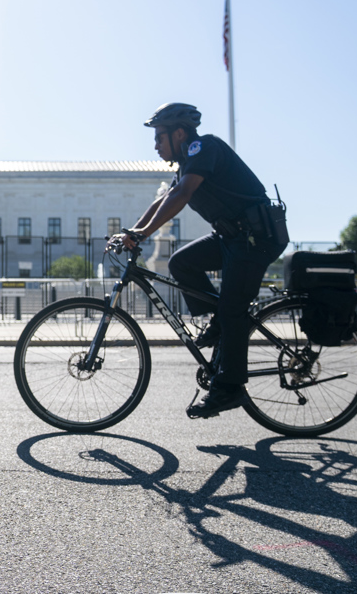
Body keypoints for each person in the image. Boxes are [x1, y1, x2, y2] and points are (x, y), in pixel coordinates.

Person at [114, 103, 288, 419]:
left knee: (233, 308)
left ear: (179, 133)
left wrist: (141, 235)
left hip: (255, 238)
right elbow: (164, 200)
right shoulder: (186, 164)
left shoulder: (204, 147)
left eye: (159, 137)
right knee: (181, 263)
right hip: (231, 238)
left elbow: (182, 195)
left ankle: (229, 388)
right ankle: (219, 325)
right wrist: (134, 230)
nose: (155, 145)